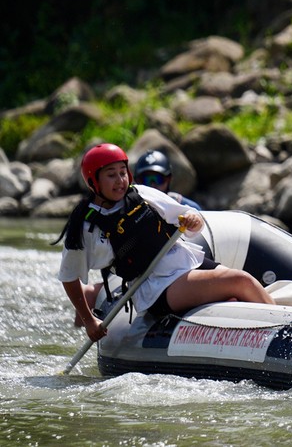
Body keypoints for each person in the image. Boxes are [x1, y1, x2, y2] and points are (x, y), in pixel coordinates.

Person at [55, 143, 274, 342]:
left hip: (188, 262)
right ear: (94, 181)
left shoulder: (142, 194)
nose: (120, 180)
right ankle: (282, 330)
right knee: (240, 280)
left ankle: (273, 325)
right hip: (156, 287)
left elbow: (190, 219)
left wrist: (193, 220)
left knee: (235, 295)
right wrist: (89, 321)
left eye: (123, 173)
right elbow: (69, 276)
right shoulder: (85, 227)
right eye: (111, 175)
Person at [134, 149, 202, 211]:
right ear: (137, 182)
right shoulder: (130, 210)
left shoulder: (189, 209)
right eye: (146, 180)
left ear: (168, 179)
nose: (152, 185)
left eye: (158, 179)